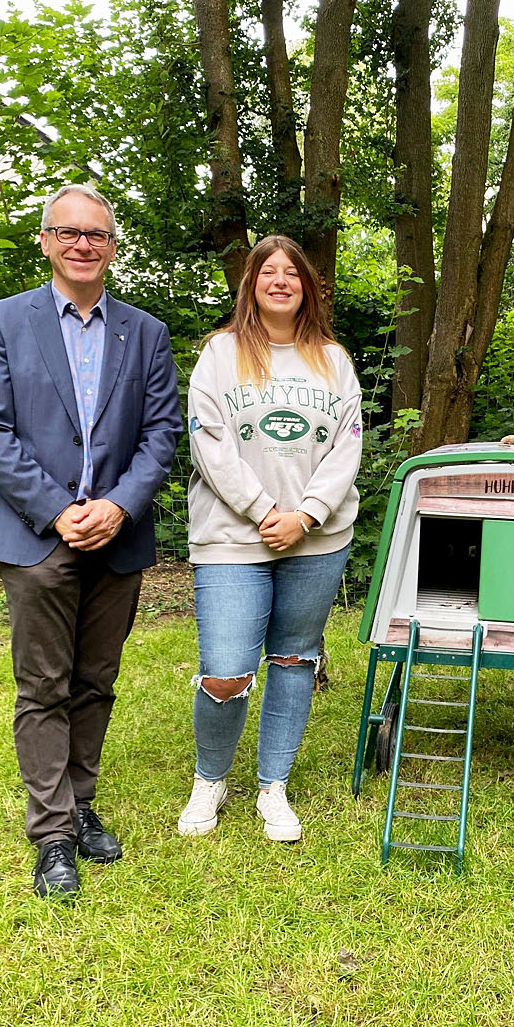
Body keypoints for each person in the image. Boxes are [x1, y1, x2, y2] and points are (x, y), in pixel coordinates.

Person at [0, 184, 181, 898]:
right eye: (69, 232)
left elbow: (160, 435)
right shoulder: (5, 321)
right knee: (43, 686)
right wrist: (60, 511)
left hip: (118, 536)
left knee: (95, 680)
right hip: (37, 535)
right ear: (46, 241)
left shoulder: (145, 332)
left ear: (113, 247)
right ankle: (53, 833)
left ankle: (81, 802)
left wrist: (119, 506)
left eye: (97, 234)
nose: (83, 244)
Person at [177, 235, 361, 844]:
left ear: (307, 286)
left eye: (292, 273)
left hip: (316, 539)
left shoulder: (332, 360)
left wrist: (304, 515)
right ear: (251, 283)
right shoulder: (220, 355)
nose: (281, 280)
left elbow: (345, 449)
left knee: (293, 658)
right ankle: (211, 778)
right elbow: (210, 447)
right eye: (268, 271)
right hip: (234, 537)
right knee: (227, 669)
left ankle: (272, 785)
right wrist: (264, 511)